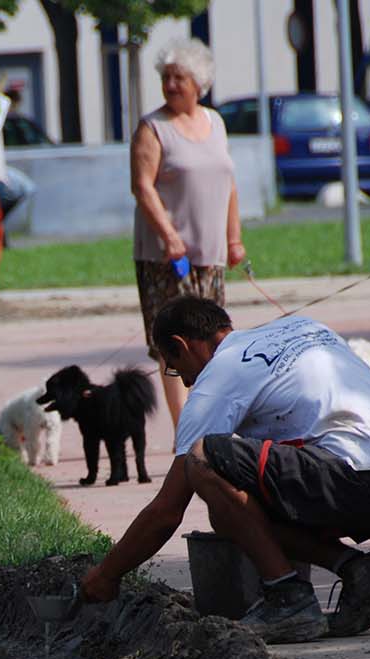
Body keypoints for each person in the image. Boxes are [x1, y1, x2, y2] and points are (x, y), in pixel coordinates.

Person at [78, 296, 370, 644]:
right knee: (233, 506)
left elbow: (167, 511)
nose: (183, 382)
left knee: (204, 460)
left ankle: (288, 598)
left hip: (355, 480)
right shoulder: (304, 327)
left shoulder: (217, 378)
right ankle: (363, 573)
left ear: (180, 345)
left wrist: (106, 575)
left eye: (173, 366)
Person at [131, 38, 245, 432]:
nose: (171, 84)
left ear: (199, 82)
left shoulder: (216, 123)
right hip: (167, 255)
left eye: (180, 77)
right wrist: (168, 234)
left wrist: (234, 238)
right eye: (166, 77)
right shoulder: (153, 128)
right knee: (174, 341)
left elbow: (229, 183)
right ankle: (186, 427)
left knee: (212, 338)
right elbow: (143, 187)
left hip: (210, 249)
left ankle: (211, 416)